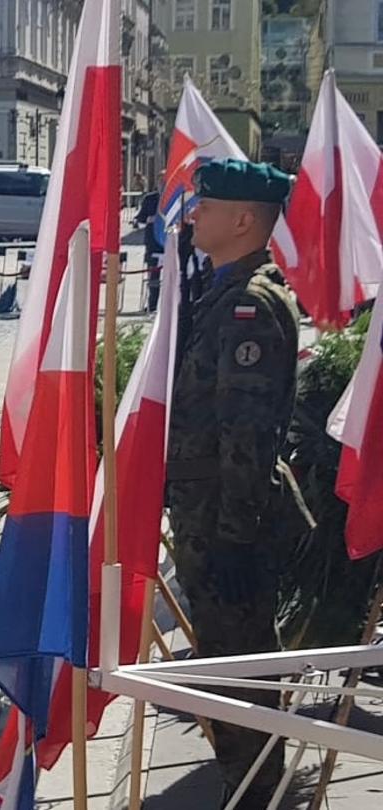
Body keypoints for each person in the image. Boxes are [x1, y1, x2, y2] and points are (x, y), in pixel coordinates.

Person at [165, 159, 311, 810]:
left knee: (240, 667)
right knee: (227, 662)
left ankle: (257, 795)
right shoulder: (226, 288)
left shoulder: (250, 303)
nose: (194, 212)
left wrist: (233, 537)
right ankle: (248, 788)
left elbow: (246, 435)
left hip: (229, 519)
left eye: (208, 204)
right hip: (211, 511)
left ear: (245, 220)